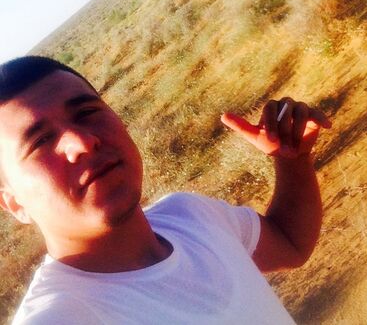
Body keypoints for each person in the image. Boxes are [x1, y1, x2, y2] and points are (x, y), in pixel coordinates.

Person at [0, 56, 331, 325]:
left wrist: (293, 160)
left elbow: (289, 243)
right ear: (14, 203)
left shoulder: (191, 215)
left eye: (86, 113)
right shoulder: (60, 316)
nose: (82, 142)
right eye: (40, 141)